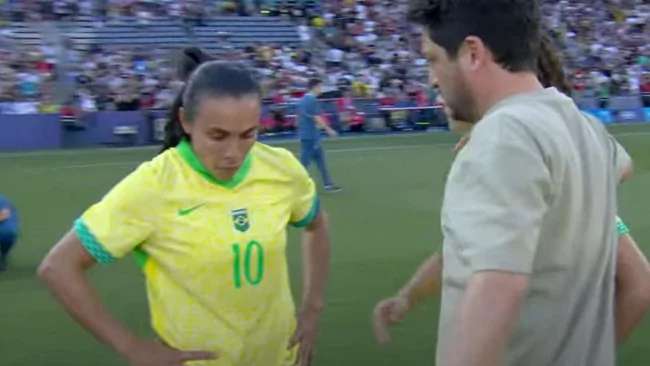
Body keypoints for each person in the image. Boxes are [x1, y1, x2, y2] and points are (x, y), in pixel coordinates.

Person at [378, 1, 640, 365]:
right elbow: (620, 172)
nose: (431, 78)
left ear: (472, 53)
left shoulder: (505, 135)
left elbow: (497, 290)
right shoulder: (586, 129)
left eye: (433, 58)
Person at [38, 58, 331, 366]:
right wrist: (131, 347)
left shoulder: (280, 167)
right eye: (217, 136)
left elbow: (317, 224)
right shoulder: (154, 185)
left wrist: (312, 308)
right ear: (186, 121)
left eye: (248, 134)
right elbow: (58, 267)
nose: (233, 153)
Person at [297, 78, 342, 193]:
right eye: (320, 87)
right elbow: (316, 117)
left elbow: (302, 117)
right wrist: (329, 130)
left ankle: (328, 184)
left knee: (320, 161)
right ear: (315, 87)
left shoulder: (303, 100)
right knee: (304, 163)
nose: (321, 89)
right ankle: (296, 186)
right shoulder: (311, 100)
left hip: (309, 135)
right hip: (310, 136)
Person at [0, 193, 18, 272]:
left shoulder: (1, 200)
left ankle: (3, 255)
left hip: (3, 226)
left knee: (8, 233)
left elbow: (4, 215)